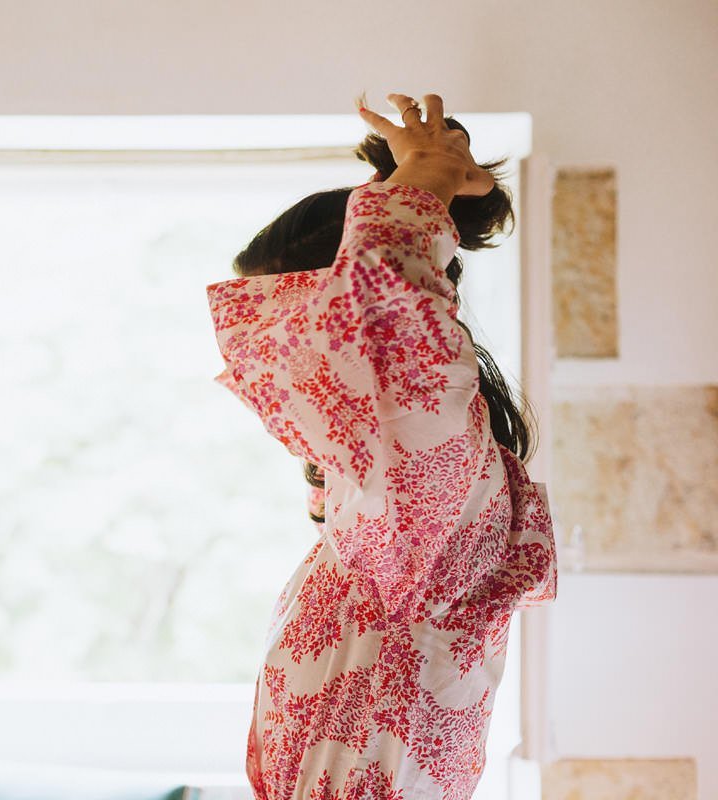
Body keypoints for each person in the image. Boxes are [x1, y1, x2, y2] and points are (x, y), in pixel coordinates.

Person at [204, 92, 558, 800]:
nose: (275, 365)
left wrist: (426, 173)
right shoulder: (388, 488)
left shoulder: (420, 465)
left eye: (290, 333)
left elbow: (389, 309)